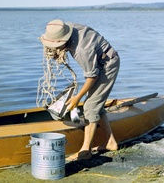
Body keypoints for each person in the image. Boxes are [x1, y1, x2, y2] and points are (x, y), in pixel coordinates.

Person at [39, 19, 120, 161]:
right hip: (98, 59)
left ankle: (85, 151)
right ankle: (110, 142)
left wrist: (78, 98)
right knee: (96, 105)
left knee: (90, 106)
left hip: (107, 65)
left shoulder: (82, 50)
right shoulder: (62, 27)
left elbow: (92, 76)